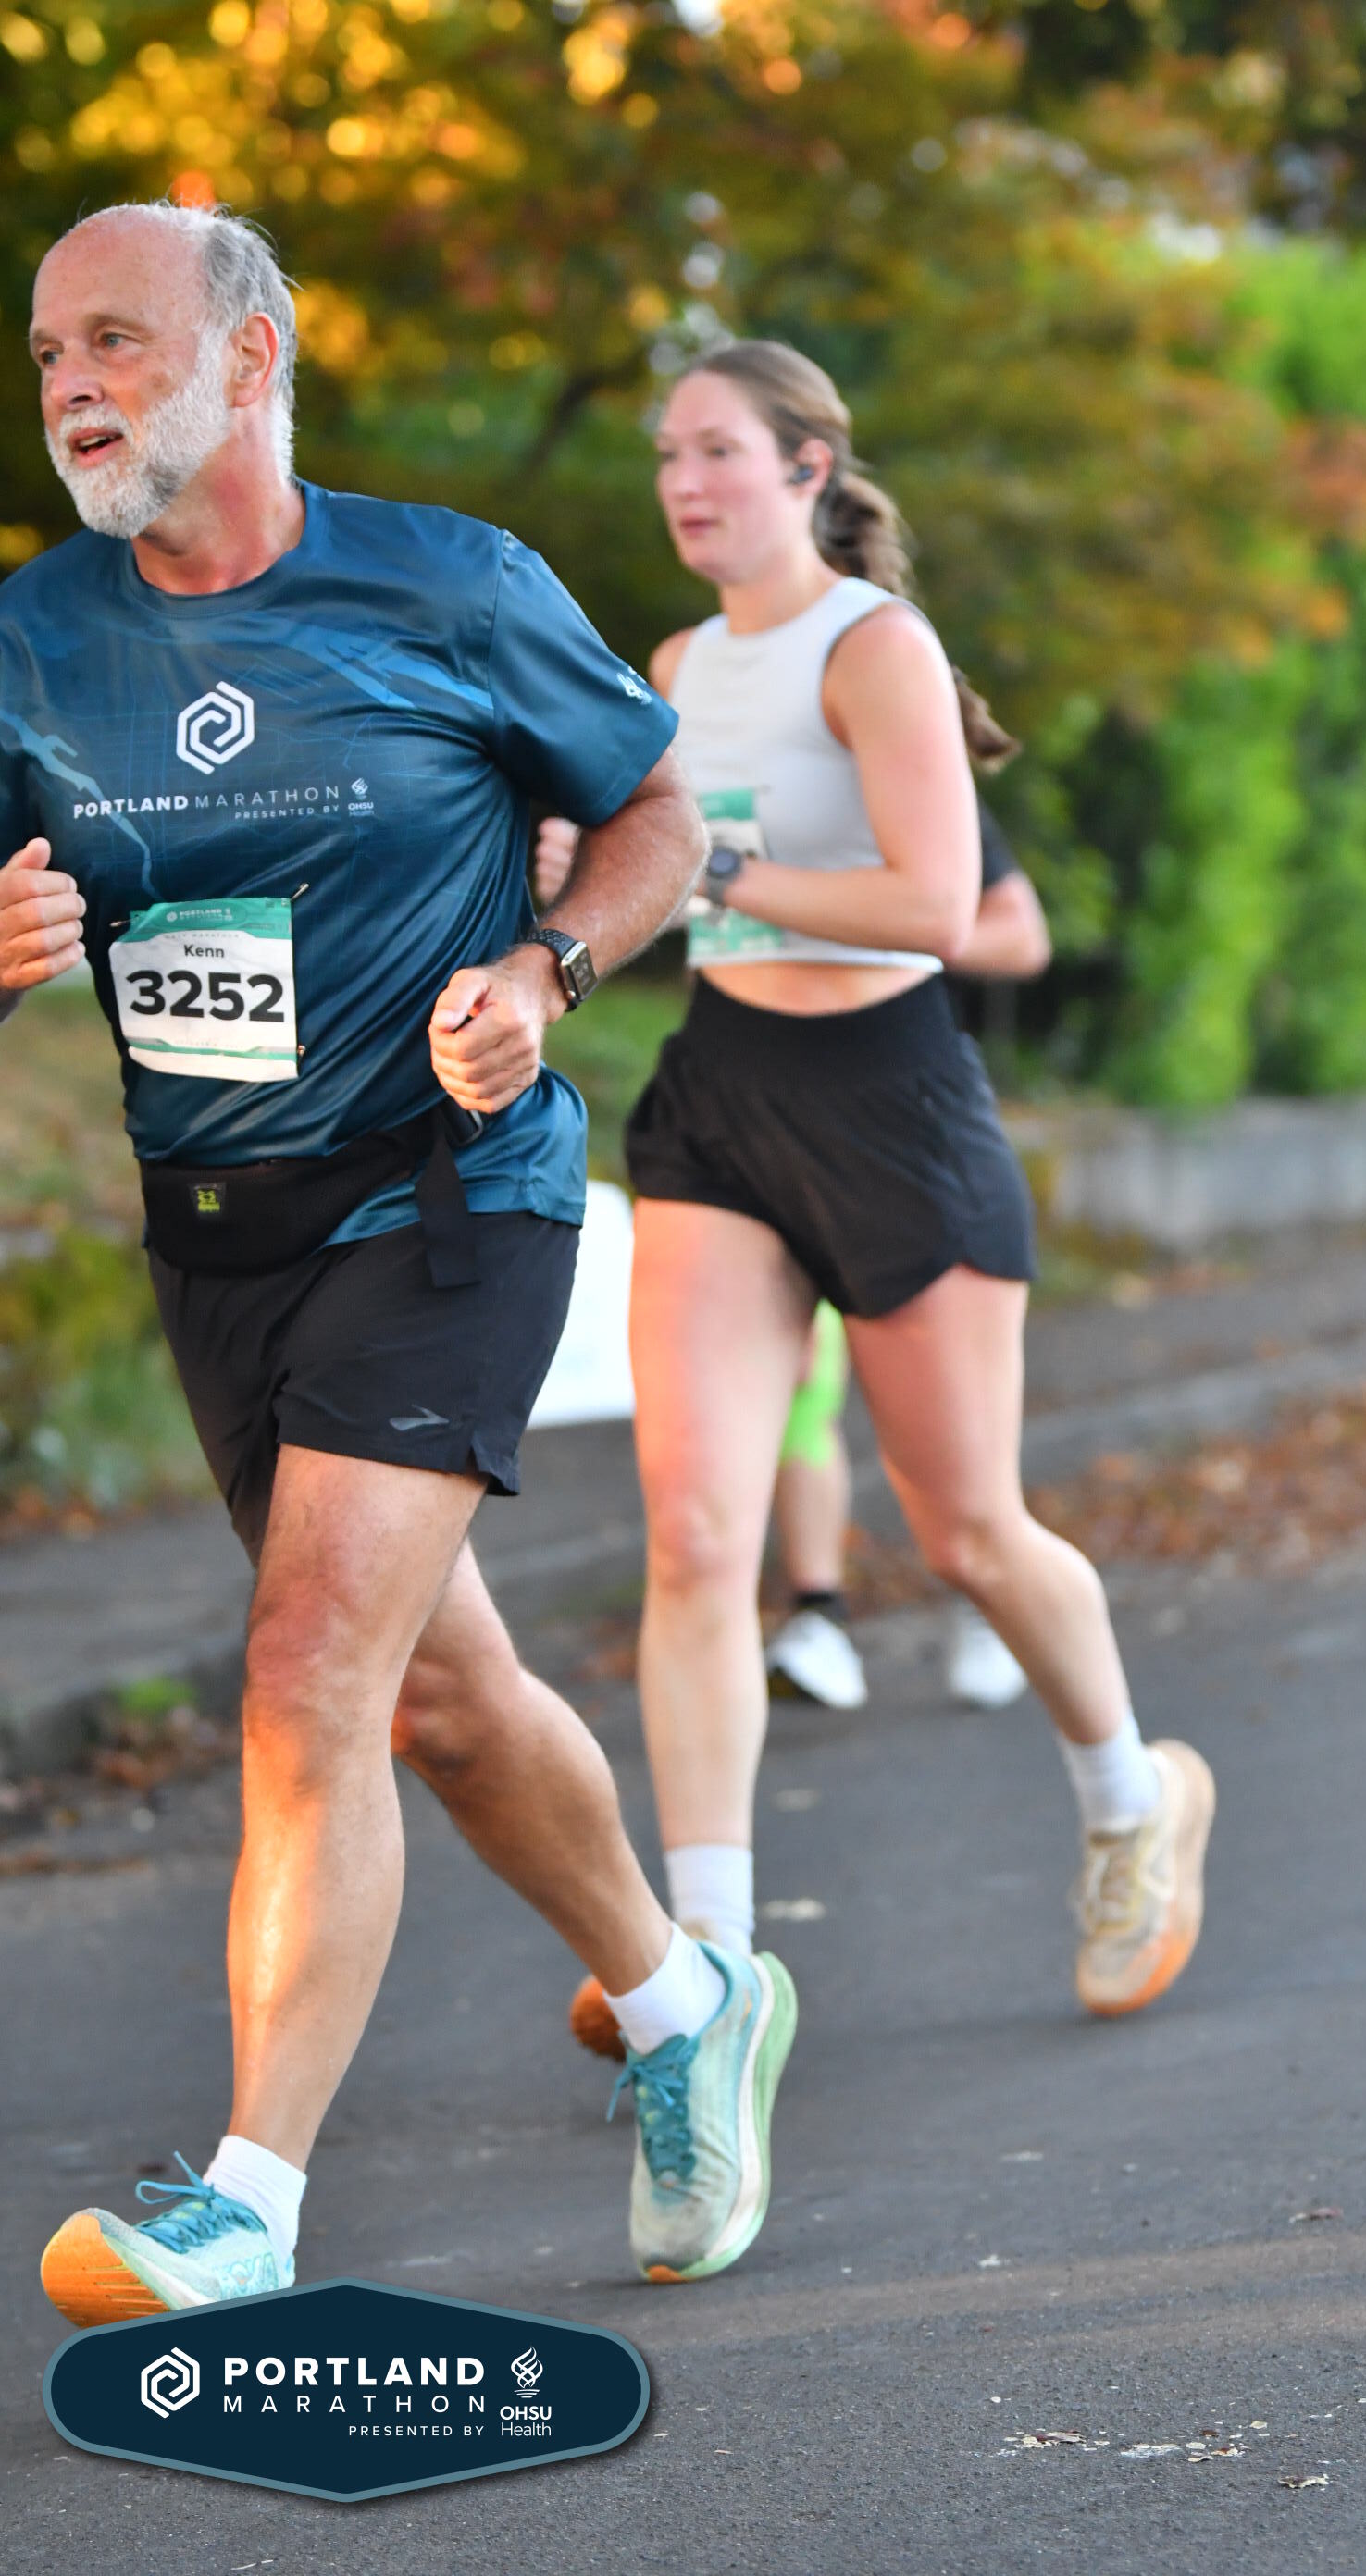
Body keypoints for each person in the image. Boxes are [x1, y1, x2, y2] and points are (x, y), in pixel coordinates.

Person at [4, 200, 795, 2319]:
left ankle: (246, 2205)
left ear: (250, 359)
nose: (73, 386)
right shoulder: (32, 636)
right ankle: (686, 2000)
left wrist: (547, 969)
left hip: (445, 1199)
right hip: (219, 1239)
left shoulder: (448, 584)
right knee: (439, 1696)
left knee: (305, 1677)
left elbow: (658, 814)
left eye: (116, 340)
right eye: (49, 352)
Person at [565, 339, 1213, 2062]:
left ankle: (1133, 1795)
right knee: (698, 1534)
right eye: (667, 454)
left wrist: (713, 862)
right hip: (721, 1099)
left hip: (894, 1105)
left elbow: (938, 902)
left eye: (718, 450)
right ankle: (707, 1961)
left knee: (969, 1529)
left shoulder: (876, 647)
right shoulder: (676, 665)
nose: (684, 481)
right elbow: (661, 887)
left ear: (806, 466)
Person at [762, 805, 1053, 1715]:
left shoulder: (921, 789)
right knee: (800, 1380)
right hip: (755, 1113)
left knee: (949, 1411)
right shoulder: (730, 776)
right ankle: (816, 1612)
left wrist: (884, 922)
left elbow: (1021, 936)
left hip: (908, 1117)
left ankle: (986, 1592)